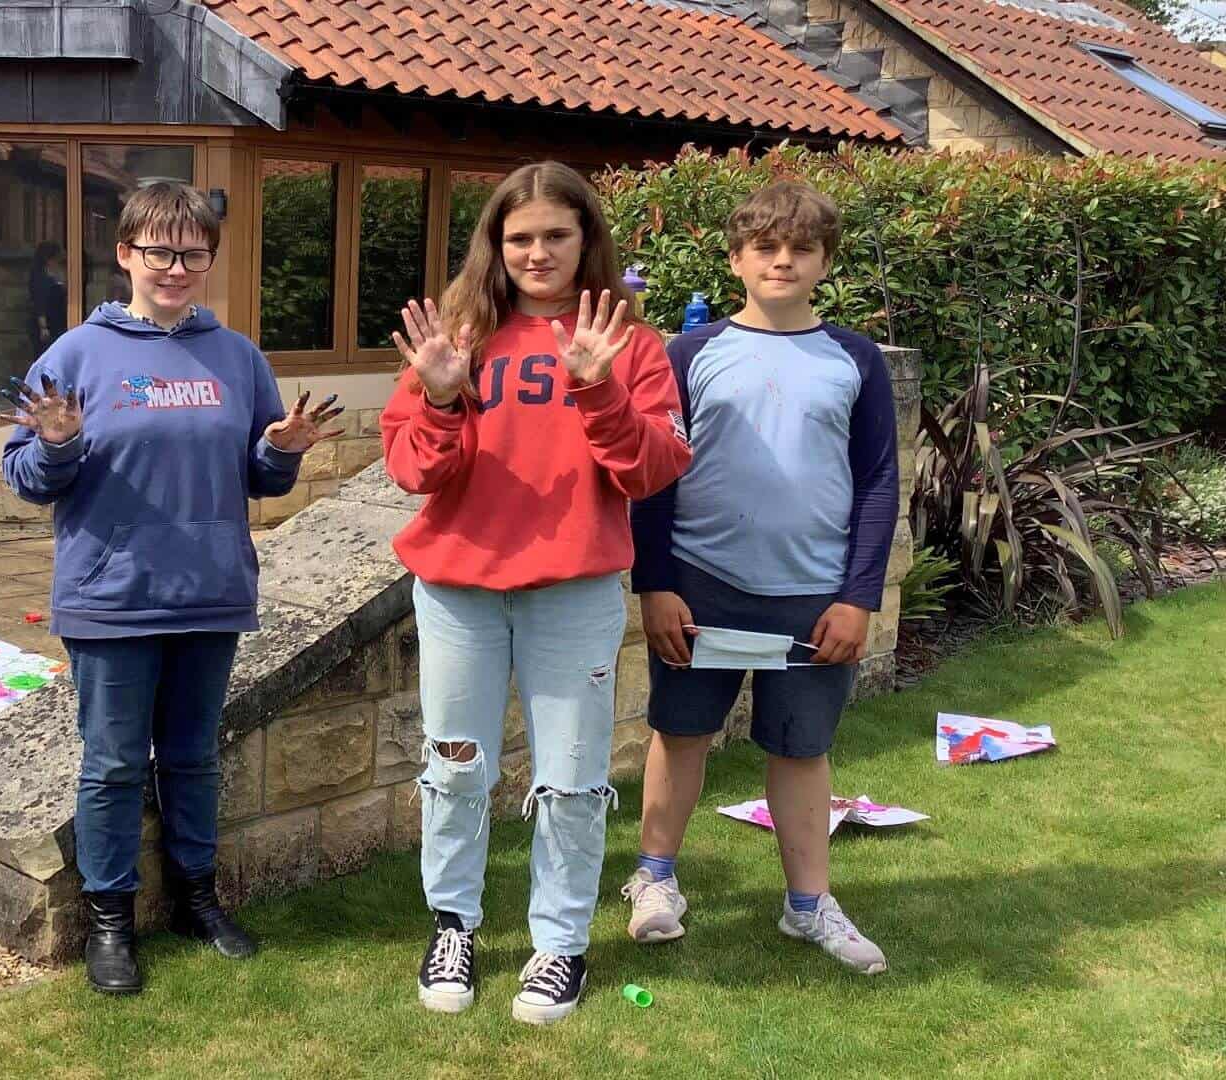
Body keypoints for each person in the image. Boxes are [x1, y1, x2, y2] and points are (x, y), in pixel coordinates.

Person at [1, 182, 343, 996]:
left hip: (210, 591)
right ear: (125, 254)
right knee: (115, 763)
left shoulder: (236, 357)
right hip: (111, 595)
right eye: (160, 251)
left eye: (193, 253)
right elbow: (24, 474)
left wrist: (285, 449)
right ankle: (110, 921)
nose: (176, 267)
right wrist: (54, 446)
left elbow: (257, 473)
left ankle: (197, 898)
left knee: (192, 759)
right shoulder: (76, 356)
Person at [382, 161, 691, 1024]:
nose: (538, 252)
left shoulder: (631, 343)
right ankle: (454, 925)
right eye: (520, 237)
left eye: (557, 234)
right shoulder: (459, 333)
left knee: (571, 777)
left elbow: (654, 467)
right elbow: (412, 468)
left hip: (573, 589)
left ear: (587, 238)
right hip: (458, 588)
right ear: (495, 243)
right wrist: (441, 399)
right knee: (455, 767)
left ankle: (559, 947)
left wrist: (597, 386)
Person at [621, 180, 899, 974]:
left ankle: (809, 908)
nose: (783, 261)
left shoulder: (855, 360)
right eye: (766, 248)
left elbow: (879, 481)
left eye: (801, 249)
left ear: (824, 262)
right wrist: (657, 584)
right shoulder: (689, 354)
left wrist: (857, 597)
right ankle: (654, 880)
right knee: (681, 734)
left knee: (802, 747)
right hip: (701, 586)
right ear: (736, 257)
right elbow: (652, 477)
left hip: (814, 597)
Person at [29, 241, 67, 357]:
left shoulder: (52, 275)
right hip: (48, 326)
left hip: (58, 323)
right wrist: (43, 327)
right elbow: (40, 303)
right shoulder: (41, 278)